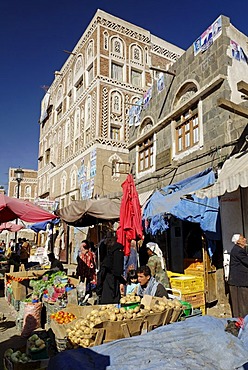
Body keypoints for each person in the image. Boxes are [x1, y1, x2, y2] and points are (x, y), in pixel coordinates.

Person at [97, 238, 126, 304]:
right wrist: (99, 290)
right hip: (107, 294)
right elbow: (100, 277)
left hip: (116, 294)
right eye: (119, 251)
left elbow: (117, 274)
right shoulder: (106, 265)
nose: (121, 253)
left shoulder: (116, 271)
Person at [228, 234, 248, 318]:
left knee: (238, 304)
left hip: (236, 280)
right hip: (240, 280)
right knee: (243, 303)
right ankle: (243, 321)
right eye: (243, 238)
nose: (245, 239)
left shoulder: (237, 250)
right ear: (238, 242)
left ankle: (238, 320)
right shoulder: (239, 251)